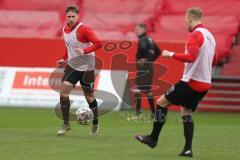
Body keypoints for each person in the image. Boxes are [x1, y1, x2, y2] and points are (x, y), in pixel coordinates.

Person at [134, 7, 216, 157]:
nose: (186, 22)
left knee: (161, 102)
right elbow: (214, 59)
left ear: (190, 18)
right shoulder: (210, 36)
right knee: (186, 112)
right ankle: (188, 149)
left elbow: (191, 57)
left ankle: (153, 139)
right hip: (205, 84)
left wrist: (170, 54)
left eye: (186, 19)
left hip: (191, 82)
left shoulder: (195, 35)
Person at [56, 5, 102, 136]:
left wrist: (84, 50)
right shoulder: (65, 29)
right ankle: (65, 124)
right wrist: (63, 58)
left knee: (89, 97)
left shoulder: (85, 29)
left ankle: (96, 123)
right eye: (68, 17)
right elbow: (68, 46)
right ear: (66, 17)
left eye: (73, 16)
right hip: (72, 66)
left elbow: (99, 44)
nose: (71, 19)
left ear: (78, 16)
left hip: (87, 68)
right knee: (63, 93)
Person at [134, 23, 161, 117]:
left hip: (143, 67)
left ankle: (138, 113)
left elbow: (143, 47)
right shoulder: (150, 39)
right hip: (149, 67)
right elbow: (158, 52)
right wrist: (150, 60)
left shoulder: (142, 39)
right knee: (148, 90)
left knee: (137, 89)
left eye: (137, 29)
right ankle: (153, 113)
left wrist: (144, 59)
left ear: (143, 29)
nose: (135, 31)